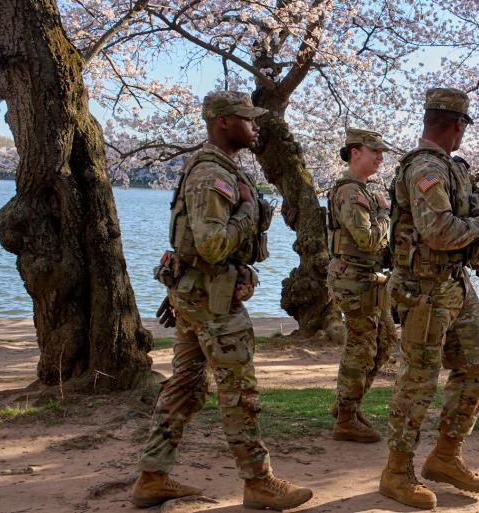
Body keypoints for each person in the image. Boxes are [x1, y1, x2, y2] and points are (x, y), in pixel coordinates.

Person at [131, 90, 313, 511]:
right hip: (211, 299)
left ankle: (152, 477)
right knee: (239, 389)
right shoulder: (210, 174)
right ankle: (258, 481)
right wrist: (249, 212)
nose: (254, 127)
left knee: (187, 386)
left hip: (197, 296)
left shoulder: (221, 169)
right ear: (223, 122)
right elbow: (212, 246)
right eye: (247, 119)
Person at [379, 87, 479, 510]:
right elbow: (439, 231)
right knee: (418, 377)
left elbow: (457, 225)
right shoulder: (426, 169)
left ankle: (446, 456)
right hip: (424, 290)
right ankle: (396, 471)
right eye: (464, 126)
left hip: (454, 283)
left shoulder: (450, 168)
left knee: (475, 365)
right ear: (456, 124)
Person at [325, 128, 398, 443]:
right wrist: (387, 215)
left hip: (368, 278)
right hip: (353, 278)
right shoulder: (350, 192)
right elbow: (367, 239)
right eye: (375, 151)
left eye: (382, 152)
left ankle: (348, 406)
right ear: (355, 152)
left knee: (384, 343)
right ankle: (345, 417)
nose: (380, 157)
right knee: (362, 346)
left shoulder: (365, 191)